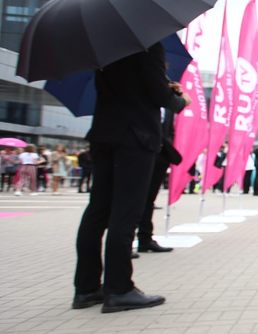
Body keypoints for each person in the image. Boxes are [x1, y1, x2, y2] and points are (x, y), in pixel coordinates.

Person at [74, 40, 189, 313]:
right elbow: (159, 96)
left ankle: (86, 288)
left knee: (97, 211)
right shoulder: (147, 45)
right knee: (125, 213)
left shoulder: (104, 46)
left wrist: (162, 87)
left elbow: (129, 86)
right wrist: (180, 98)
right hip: (135, 139)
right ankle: (119, 289)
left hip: (104, 134)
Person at [137, 109, 181, 255]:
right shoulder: (145, 100)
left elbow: (170, 130)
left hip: (160, 154)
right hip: (138, 151)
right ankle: (125, 240)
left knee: (149, 199)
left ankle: (145, 239)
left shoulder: (168, 108)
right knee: (133, 199)